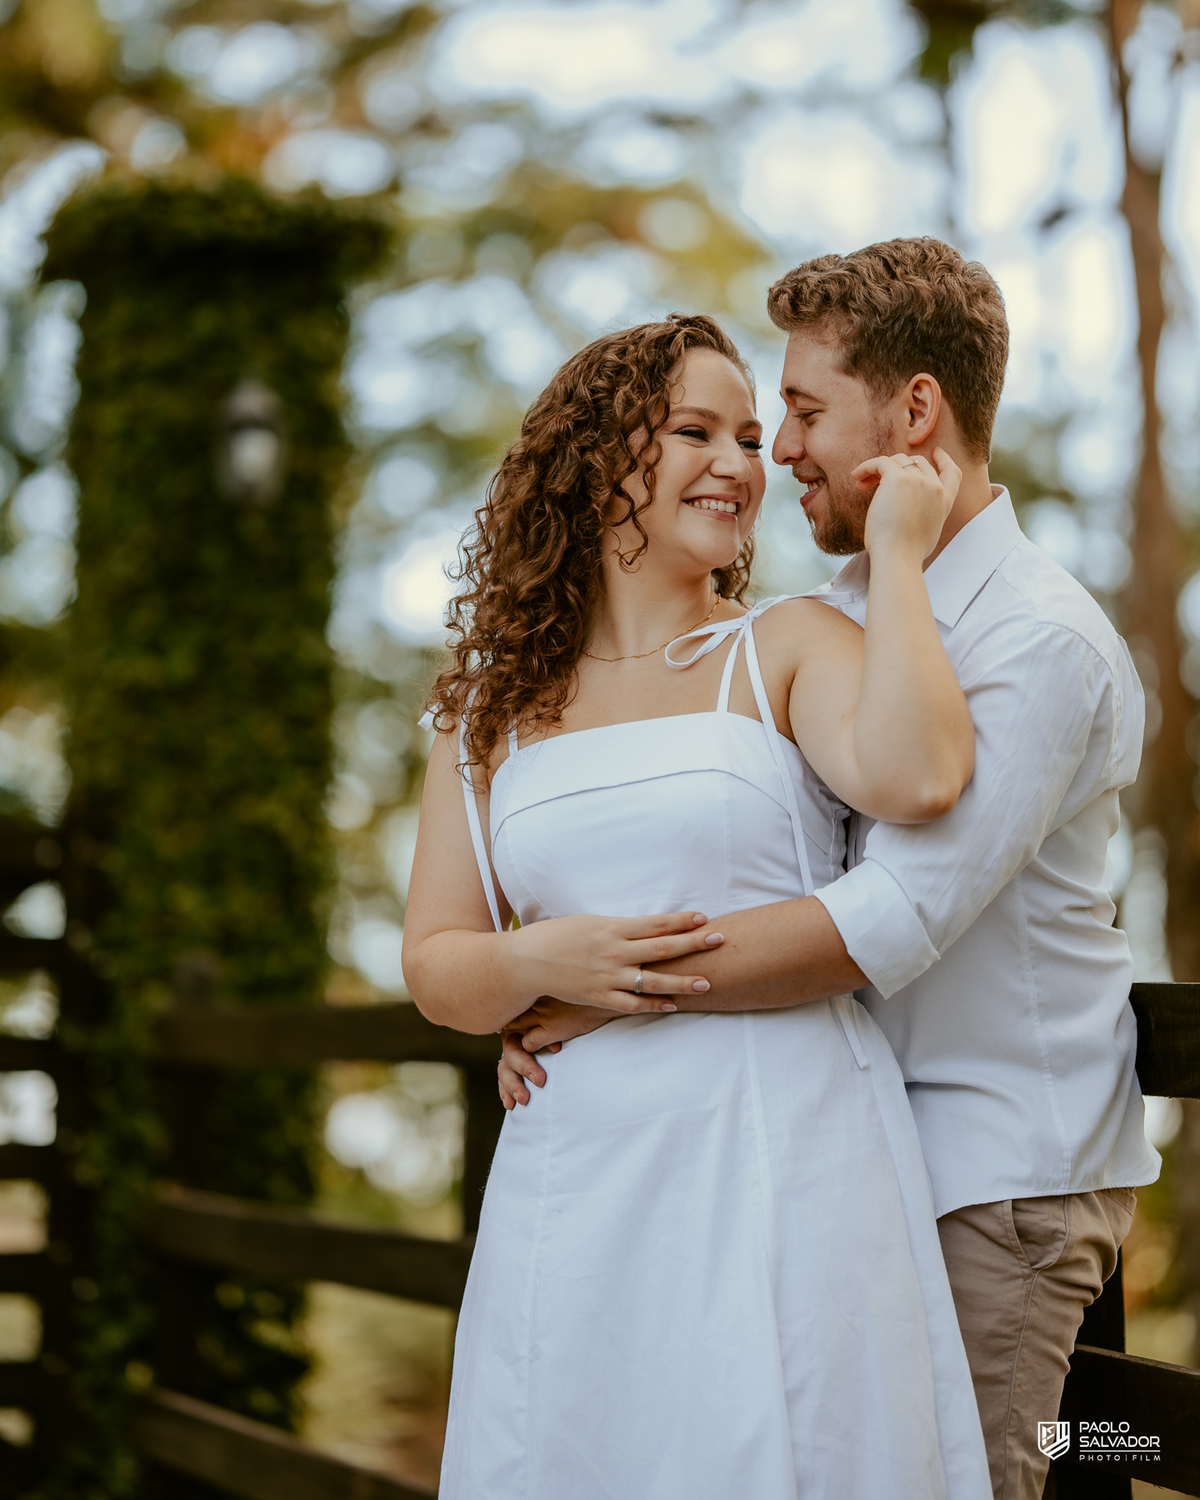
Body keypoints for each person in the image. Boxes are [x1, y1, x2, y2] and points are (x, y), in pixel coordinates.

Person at [498, 239, 1162, 1500]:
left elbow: (892, 915)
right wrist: (539, 976)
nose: (778, 451)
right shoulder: (845, 615)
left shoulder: (1041, 641)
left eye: (801, 412)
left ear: (916, 413)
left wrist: (597, 997)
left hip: (995, 1176)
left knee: (1023, 1455)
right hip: (844, 1158)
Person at [403, 313, 993, 1497]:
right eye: (693, 431)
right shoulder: (486, 708)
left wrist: (900, 564)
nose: (741, 462)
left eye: (750, 434)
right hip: (580, 1170)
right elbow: (437, 961)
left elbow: (922, 774)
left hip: (779, 1145)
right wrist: (541, 965)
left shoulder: (782, 645)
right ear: (593, 459)